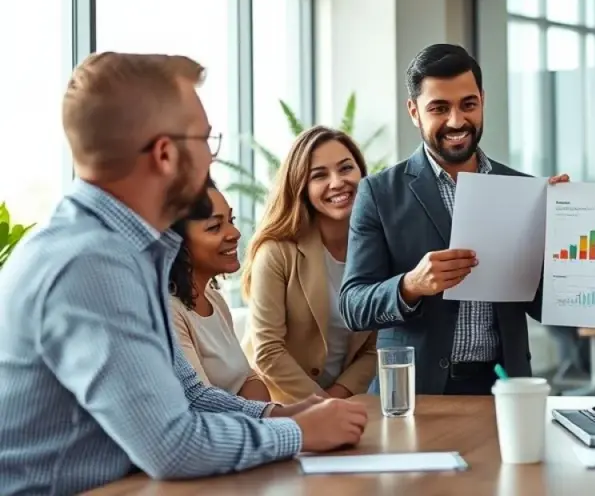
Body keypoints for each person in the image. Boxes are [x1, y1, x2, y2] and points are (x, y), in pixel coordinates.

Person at [0, 52, 367, 494]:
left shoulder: (127, 249)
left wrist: (283, 414)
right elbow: (172, 446)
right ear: (166, 154)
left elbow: (190, 394)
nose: (211, 163)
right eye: (206, 142)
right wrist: (302, 434)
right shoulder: (92, 263)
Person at [341, 43, 568, 396]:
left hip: (504, 389)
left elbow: (544, 304)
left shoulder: (524, 190)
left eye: (468, 105)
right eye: (439, 108)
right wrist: (411, 285)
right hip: (415, 393)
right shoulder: (379, 193)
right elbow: (353, 305)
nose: (457, 121)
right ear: (414, 111)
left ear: (482, 100)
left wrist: (560, 237)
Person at [241, 126, 377, 403]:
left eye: (346, 168)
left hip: (349, 404)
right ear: (300, 186)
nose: (337, 182)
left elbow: (375, 348)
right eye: (319, 175)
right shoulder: (276, 252)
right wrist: (324, 405)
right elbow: (267, 351)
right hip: (277, 406)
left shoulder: (379, 249)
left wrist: (338, 401)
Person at [169, 177, 270, 401]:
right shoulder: (169, 312)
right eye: (215, 227)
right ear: (176, 242)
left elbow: (247, 378)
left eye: (230, 220)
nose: (235, 233)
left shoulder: (213, 298)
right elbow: (202, 403)